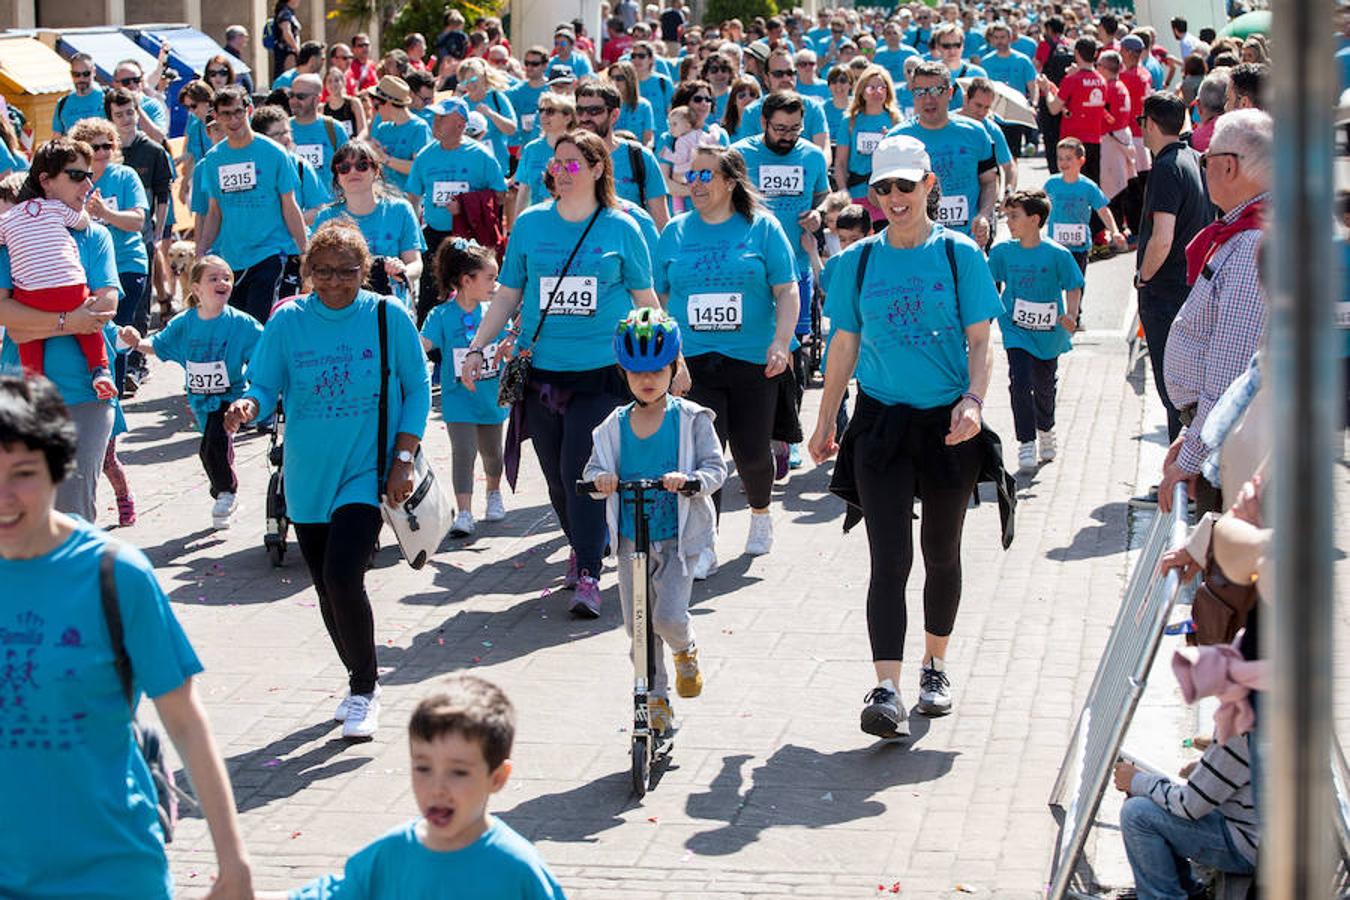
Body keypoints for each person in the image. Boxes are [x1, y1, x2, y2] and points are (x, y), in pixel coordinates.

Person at [0, 375, 254, 897]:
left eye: (23, 473)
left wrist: (233, 860)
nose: (4, 497)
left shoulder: (115, 575)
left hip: (110, 870)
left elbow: (184, 720)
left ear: (58, 470)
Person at [808, 135, 1002, 738]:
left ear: (929, 185)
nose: (894, 197)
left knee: (941, 553)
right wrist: (824, 420)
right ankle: (886, 687)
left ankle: (935, 666)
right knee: (888, 559)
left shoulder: (959, 255)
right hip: (881, 423)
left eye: (905, 185)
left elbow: (981, 339)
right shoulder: (858, 261)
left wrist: (974, 401)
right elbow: (843, 344)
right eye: (883, 187)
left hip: (948, 425)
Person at [225, 221, 431, 741]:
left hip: (367, 470)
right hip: (307, 473)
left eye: (348, 271)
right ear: (307, 272)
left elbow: (417, 387)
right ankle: (356, 679)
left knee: (343, 577)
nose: (336, 282)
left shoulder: (386, 315)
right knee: (324, 585)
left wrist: (403, 456)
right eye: (324, 272)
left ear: (365, 270)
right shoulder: (288, 320)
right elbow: (265, 382)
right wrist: (248, 404)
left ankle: (365, 688)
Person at [458, 130, 659, 619]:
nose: (561, 172)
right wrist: (477, 348)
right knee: (554, 480)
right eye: (556, 164)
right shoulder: (530, 225)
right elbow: (507, 294)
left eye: (572, 164)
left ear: (596, 169)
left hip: (600, 374)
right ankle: (584, 543)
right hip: (542, 374)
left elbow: (646, 301)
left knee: (579, 472)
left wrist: (669, 361)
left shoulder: (622, 227)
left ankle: (588, 570)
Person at [283, 676, 564, 899]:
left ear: (497, 778)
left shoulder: (518, 870)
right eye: (423, 768)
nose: (437, 787)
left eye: (458, 772)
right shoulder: (389, 856)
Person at [655, 145, 798, 573]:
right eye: (691, 176)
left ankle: (759, 513)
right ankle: (705, 542)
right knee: (705, 455)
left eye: (705, 176)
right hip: (694, 360)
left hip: (753, 358)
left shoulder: (762, 227)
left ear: (730, 182)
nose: (695, 184)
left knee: (753, 452)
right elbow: (659, 297)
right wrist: (666, 354)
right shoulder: (675, 232)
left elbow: (787, 290)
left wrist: (781, 342)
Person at [583, 309, 726, 733]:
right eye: (636, 373)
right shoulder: (613, 427)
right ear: (623, 374)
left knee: (667, 619)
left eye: (658, 370)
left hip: (676, 542)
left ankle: (686, 650)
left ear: (674, 367)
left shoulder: (692, 419)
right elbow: (592, 472)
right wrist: (601, 480)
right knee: (639, 630)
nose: (647, 380)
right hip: (632, 542)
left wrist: (692, 481)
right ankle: (656, 698)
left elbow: (715, 469)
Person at [1157, 110, 1272, 517]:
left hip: (1231, 447)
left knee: (1219, 564)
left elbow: (1230, 374)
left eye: (1206, 159)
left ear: (1228, 165)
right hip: (1222, 438)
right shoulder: (1251, 232)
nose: (1203, 166)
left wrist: (1189, 459)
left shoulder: (1252, 245)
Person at [119, 255, 262, 528]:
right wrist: (136, 343)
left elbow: (265, 353)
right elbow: (159, 345)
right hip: (199, 400)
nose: (222, 282)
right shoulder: (185, 323)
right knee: (212, 446)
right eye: (214, 278)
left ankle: (225, 492)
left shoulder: (241, 323)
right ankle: (222, 490)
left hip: (229, 398)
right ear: (195, 288)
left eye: (227, 278)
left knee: (214, 444)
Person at [0, 139, 115, 399]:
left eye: (89, 175)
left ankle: (97, 373)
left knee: (26, 339)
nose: (88, 184)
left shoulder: (97, 236)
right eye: (77, 176)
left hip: (89, 395)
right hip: (25, 408)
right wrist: (72, 321)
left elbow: (107, 305)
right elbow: (3, 314)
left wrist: (35, 326)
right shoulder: (9, 243)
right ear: (46, 181)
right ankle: (100, 369)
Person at [1136, 91, 1213, 448]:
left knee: (1173, 391)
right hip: (1191, 285)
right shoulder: (1194, 158)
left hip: (1166, 291)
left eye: (1142, 123)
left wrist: (1143, 277)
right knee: (1189, 388)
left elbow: (1162, 237)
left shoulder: (1166, 167)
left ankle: (1180, 477)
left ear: (1151, 124)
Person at [989, 189, 1084, 471]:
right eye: (1007, 216)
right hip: (1016, 329)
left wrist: (1071, 314)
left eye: (1014, 216)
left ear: (1035, 219)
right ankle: (1026, 442)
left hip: (1049, 332)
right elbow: (990, 286)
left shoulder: (1057, 254)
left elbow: (1073, 285)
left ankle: (1046, 429)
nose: (1009, 222)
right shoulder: (1002, 252)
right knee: (1020, 382)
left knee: (1044, 386)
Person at [196, 87, 309, 325]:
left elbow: (290, 206)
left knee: (260, 325)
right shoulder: (214, 159)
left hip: (271, 252)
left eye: (239, 112)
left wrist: (304, 252)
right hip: (232, 258)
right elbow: (214, 211)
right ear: (216, 116)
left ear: (249, 110)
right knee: (239, 328)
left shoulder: (275, 153)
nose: (234, 120)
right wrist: (201, 252)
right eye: (226, 114)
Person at [421, 238, 509, 538]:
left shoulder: (495, 311)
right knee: (463, 451)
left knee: (492, 453)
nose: (495, 284)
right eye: (490, 278)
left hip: (491, 397)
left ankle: (494, 493)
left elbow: (510, 342)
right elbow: (425, 344)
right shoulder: (441, 315)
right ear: (466, 280)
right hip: (458, 399)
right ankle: (465, 513)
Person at [1113, 727, 1256, 896]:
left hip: (1250, 847)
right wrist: (1212, 757)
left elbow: (1190, 806)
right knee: (1154, 800)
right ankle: (1188, 891)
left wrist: (1137, 781)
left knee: (1137, 813)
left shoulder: (1240, 727)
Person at [406, 96, 509, 325]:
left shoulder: (480, 155)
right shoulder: (426, 155)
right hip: (435, 235)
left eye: (442, 118)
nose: (435, 122)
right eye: (435, 117)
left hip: (469, 239)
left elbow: (500, 194)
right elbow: (413, 196)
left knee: (473, 294)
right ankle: (430, 349)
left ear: (461, 125)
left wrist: (467, 205)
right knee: (430, 295)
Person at [886, 62, 998, 245]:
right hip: (916, 245)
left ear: (950, 93)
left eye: (936, 91)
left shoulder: (976, 132)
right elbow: (877, 195)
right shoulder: (897, 138)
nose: (928, 99)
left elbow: (990, 181)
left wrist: (984, 215)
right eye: (920, 92)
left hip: (967, 242)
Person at [312, 140, 425, 304]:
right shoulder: (325, 217)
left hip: (390, 305)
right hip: (341, 304)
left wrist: (402, 271)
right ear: (337, 178)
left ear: (376, 171)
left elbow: (415, 264)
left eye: (362, 165)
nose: (353, 172)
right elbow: (314, 268)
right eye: (344, 168)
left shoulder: (400, 210)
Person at [574, 80, 670, 229]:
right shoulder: (565, 157)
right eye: (580, 111)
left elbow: (661, 222)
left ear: (614, 115)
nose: (585, 118)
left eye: (594, 111)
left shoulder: (640, 157)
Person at [1044, 138, 1126, 285]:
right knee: (1054, 283)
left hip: (1079, 246)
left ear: (1081, 161)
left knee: (1076, 283)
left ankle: (1075, 308)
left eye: (1068, 159)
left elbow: (1103, 210)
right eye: (1060, 158)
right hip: (1055, 244)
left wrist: (1114, 231)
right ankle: (1059, 308)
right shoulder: (1051, 184)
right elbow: (1039, 206)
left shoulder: (1088, 187)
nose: (1063, 163)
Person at [836, 66, 903, 221]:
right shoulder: (850, 121)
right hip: (856, 196)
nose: (877, 92)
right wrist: (843, 193)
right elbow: (840, 163)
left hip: (886, 198)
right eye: (871, 88)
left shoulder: (896, 121)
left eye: (881, 87)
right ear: (862, 91)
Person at [1041, 38, 1107, 190]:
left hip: (1072, 142)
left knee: (1072, 188)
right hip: (1095, 140)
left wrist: (1046, 90)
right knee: (1092, 186)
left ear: (1076, 54)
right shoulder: (1101, 80)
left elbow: (1054, 108)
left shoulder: (1071, 79)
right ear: (1095, 54)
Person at [367, 76, 434, 196]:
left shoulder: (419, 128)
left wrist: (385, 159)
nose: (375, 111)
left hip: (409, 202)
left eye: (376, 106)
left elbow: (419, 168)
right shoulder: (382, 128)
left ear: (388, 103)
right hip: (383, 200)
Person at [512, 93, 577, 216]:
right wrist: (518, 225)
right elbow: (524, 190)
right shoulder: (531, 149)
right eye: (541, 110)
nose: (543, 115)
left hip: (571, 217)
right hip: (538, 219)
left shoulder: (578, 148)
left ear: (567, 118)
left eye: (550, 111)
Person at [980, 23, 1039, 158]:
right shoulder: (986, 62)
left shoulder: (1022, 60)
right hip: (992, 115)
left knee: (1012, 157)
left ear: (1010, 38)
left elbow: (1032, 84)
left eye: (1003, 37)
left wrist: (1034, 104)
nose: (1000, 41)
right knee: (993, 158)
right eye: (996, 37)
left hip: (1015, 114)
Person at [457, 57, 518, 164]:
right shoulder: (462, 103)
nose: (470, 85)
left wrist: (490, 114)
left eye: (473, 80)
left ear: (483, 77)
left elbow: (511, 129)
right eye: (465, 82)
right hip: (470, 165)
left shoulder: (496, 97)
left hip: (498, 164)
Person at [52, 54, 105, 136]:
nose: (81, 78)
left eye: (86, 74)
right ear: (71, 74)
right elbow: (57, 138)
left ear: (94, 72)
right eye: (76, 74)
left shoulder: (106, 97)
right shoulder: (62, 103)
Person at [609, 61, 656, 146]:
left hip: (636, 154)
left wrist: (647, 151)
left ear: (629, 79)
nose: (614, 82)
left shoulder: (644, 106)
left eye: (619, 78)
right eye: (612, 78)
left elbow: (648, 138)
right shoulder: (605, 105)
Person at [322, 65, 367, 138]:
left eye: (336, 80)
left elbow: (363, 130)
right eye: (329, 81)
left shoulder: (354, 103)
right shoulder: (322, 109)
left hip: (352, 146)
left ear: (343, 82)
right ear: (325, 85)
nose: (333, 84)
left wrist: (356, 142)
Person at [270, 0, 302, 80]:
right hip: (287, 53)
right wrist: (296, 49)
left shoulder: (288, 12)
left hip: (287, 52)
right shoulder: (285, 13)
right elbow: (286, 32)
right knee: (288, 78)